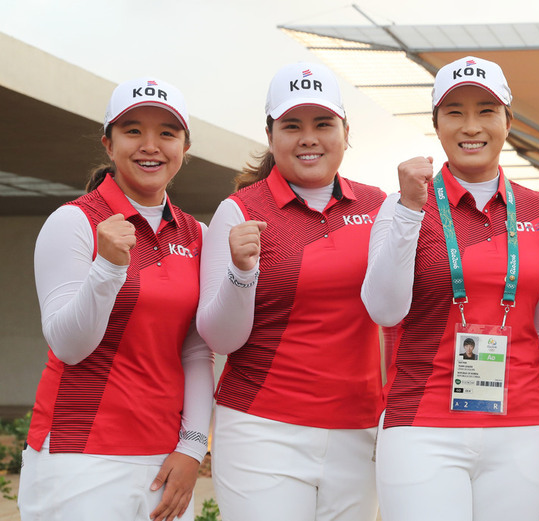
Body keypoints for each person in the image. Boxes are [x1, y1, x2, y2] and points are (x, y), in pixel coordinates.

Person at [361, 56, 539, 521]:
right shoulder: (400, 205)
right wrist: (410, 212)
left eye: (486, 110)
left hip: (522, 427)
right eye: (455, 112)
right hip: (421, 426)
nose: (470, 126)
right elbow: (383, 311)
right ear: (436, 123)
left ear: (508, 122)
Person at [196, 62, 385, 521]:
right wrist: (242, 272)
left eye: (323, 124)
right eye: (291, 126)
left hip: (358, 429)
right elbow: (219, 339)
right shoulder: (238, 210)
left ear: (345, 131)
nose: (308, 138)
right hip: (262, 429)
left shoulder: (380, 205)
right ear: (270, 133)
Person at [19, 78, 213, 521]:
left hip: (164, 460)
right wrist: (107, 267)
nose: (151, 146)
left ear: (185, 146)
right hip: (79, 452)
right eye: (132, 131)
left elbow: (198, 351)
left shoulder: (196, 235)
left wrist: (193, 447)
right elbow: (68, 345)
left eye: (167, 133)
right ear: (108, 144)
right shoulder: (73, 221)